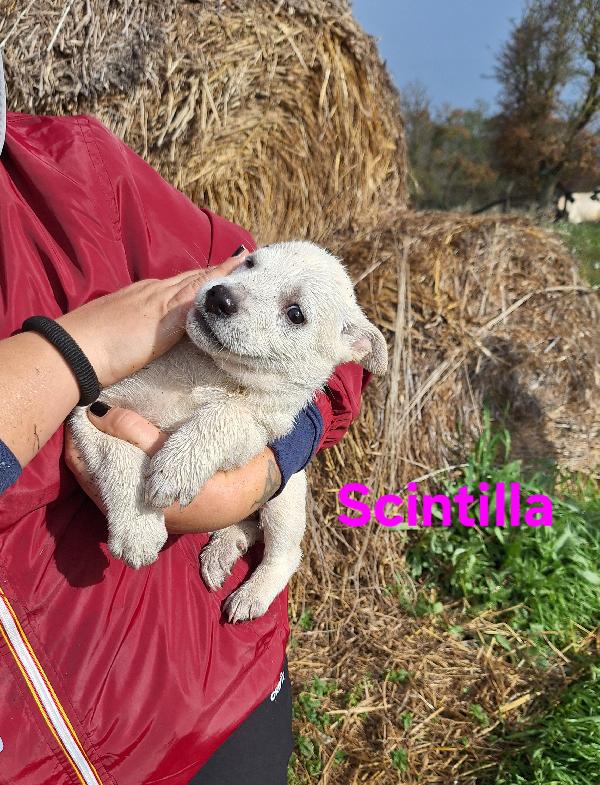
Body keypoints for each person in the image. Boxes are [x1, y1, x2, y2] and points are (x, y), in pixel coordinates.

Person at [0, 56, 369, 785]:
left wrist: (260, 471)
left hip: (221, 693)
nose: (237, 285)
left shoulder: (79, 172)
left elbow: (325, 351)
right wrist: (75, 352)